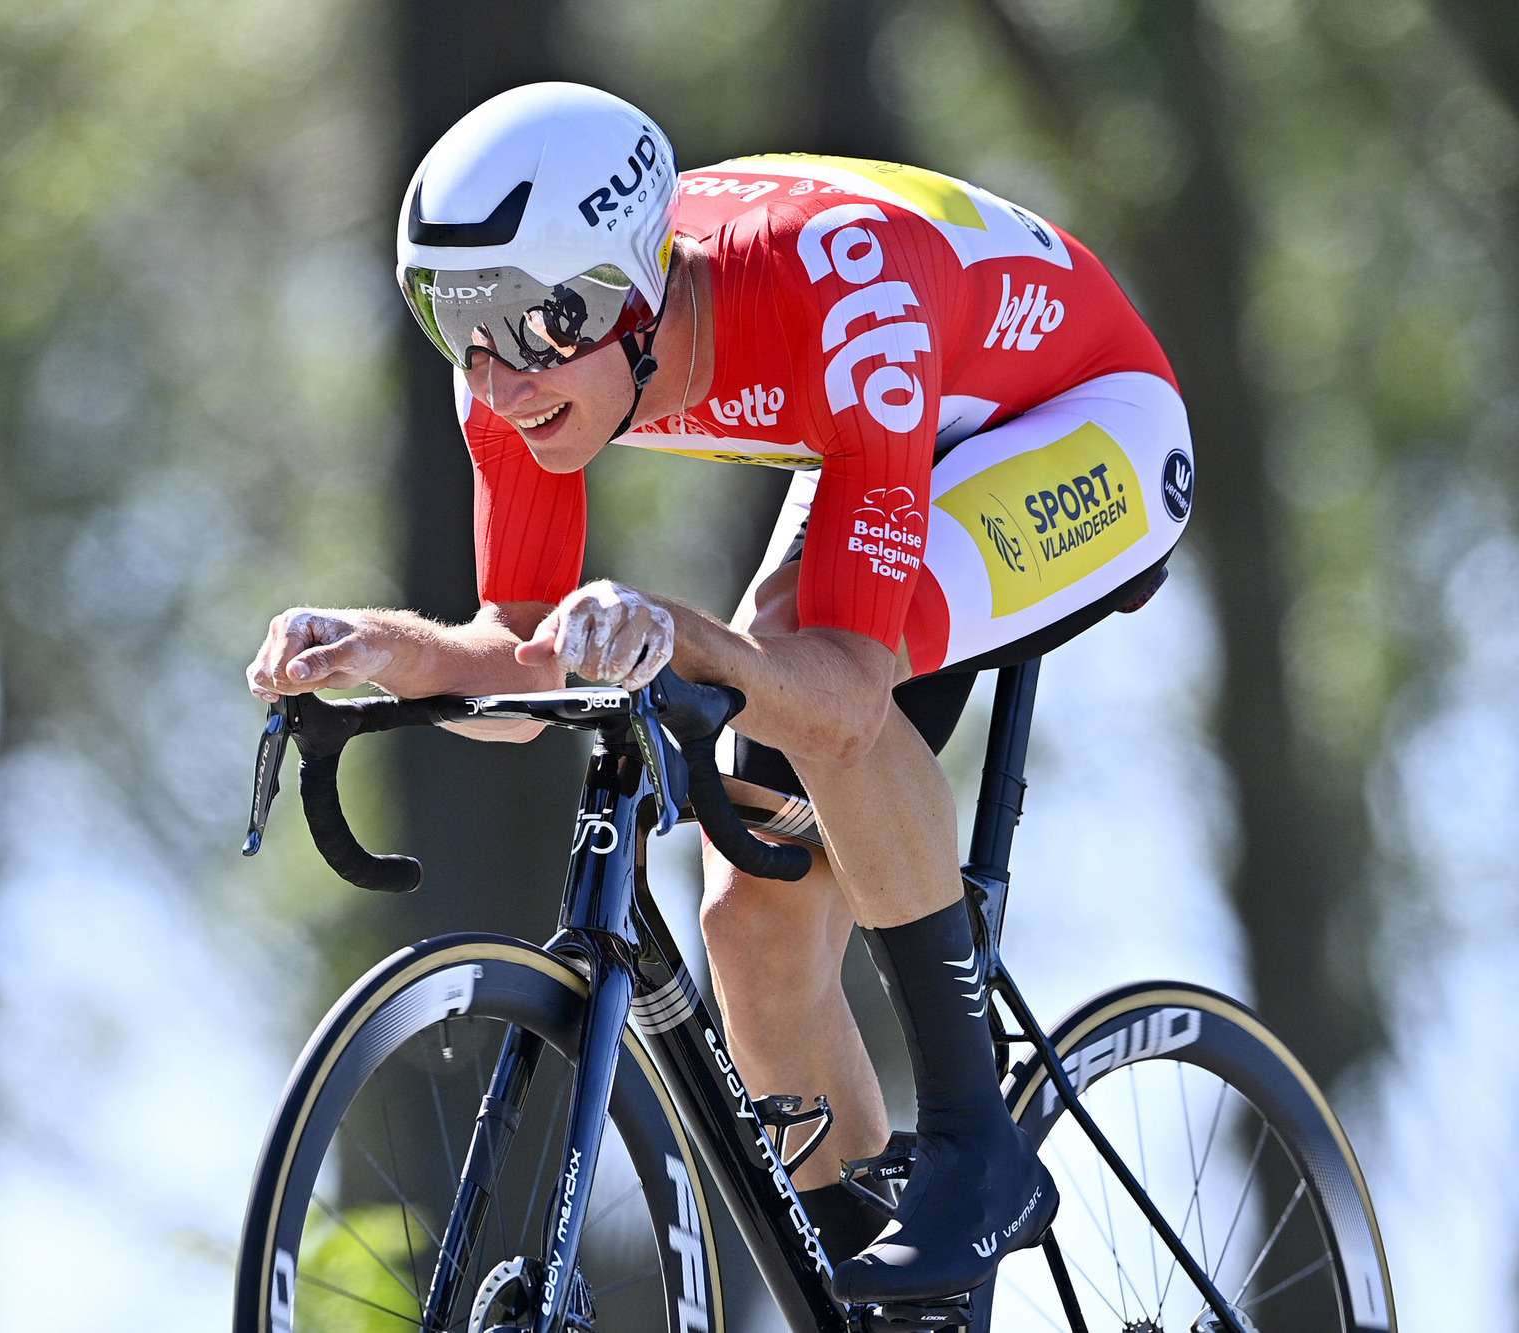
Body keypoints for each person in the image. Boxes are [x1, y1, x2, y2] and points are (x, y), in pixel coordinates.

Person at [245, 82, 1192, 1305]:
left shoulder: (834, 304)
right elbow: (526, 666)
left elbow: (844, 697)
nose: (498, 377)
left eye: (538, 327)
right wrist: (385, 649)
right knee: (749, 913)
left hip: (1076, 416)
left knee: (811, 660)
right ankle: (876, 1281)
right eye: (453, 321)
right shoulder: (504, 371)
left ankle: (975, 1138)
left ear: (635, 288)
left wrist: (681, 637)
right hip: (884, 421)